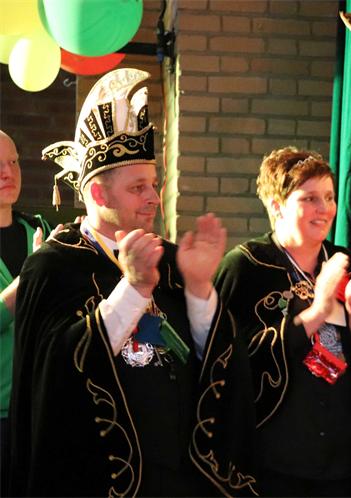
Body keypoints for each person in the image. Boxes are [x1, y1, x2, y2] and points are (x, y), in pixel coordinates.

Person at [9, 68, 256, 497]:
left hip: (178, 480)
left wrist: (199, 288)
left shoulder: (172, 259)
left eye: (154, 184)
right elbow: (55, 377)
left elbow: (215, 366)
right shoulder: (52, 267)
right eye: (138, 187)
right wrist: (135, 288)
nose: (154, 198)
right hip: (100, 483)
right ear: (99, 195)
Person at [214, 147, 351, 496]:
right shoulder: (245, 267)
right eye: (310, 198)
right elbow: (228, 361)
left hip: (346, 463)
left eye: (329, 197)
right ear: (277, 206)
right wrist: (316, 312)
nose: (325, 209)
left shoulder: (348, 263)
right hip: (274, 464)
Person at [0, 130, 53, 497]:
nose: (8, 172)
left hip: (39, 406)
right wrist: (26, 282)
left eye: (13, 162)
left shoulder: (40, 230)